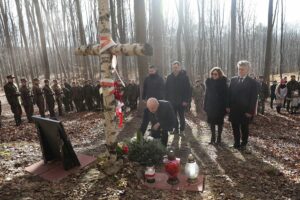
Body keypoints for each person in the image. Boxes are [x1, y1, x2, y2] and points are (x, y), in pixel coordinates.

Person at [227, 61, 258, 151]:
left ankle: (244, 143)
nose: (240, 71)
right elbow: (229, 94)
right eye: (239, 69)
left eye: (242, 69)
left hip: (245, 110)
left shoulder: (252, 82)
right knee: (235, 127)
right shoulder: (233, 80)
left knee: (244, 128)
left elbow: (253, 98)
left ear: (247, 70)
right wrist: (228, 106)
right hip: (234, 109)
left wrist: (250, 111)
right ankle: (236, 143)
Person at [165, 61, 191, 135]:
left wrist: (186, 100)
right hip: (171, 101)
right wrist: (167, 100)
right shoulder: (169, 77)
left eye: (176, 67)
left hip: (181, 101)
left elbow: (188, 90)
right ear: (172, 68)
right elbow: (166, 89)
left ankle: (182, 130)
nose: (175, 69)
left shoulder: (185, 77)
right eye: (174, 67)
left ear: (179, 67)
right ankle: (176, 129)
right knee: (173, 116)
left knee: (181, 116)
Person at [204, 67, 228, 145]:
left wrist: (226, 106)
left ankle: (219, 138)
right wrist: (205, 105)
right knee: (212, 123)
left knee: (220, 123)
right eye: (212, 74)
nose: (213, 75)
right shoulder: (209, 82)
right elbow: (206, 95)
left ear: (219, 74)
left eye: (215, 74)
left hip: (220, 107)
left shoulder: (223, 83)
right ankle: (213, 138)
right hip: (211, 106)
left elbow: (226, 96)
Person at [139, 65, 165, 135]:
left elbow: (163, 90)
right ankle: (140, 135)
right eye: (149, 71)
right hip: (149, 102)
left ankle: (155, 135)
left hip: (158, 102)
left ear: (155, 70)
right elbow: (144, 89)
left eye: (152, 71)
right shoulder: (147, 79)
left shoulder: (160, 79)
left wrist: (161, 100)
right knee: (145, 120)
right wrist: (144, 98)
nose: (151, 72)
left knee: (155, 120)